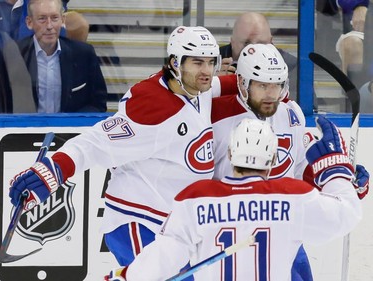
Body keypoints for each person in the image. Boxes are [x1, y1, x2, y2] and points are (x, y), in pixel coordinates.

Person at [8, 25, 237, 271]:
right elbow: (96, 142)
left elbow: (221, 85)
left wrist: (266, 85)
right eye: (197, 63)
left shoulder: (193, 86)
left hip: (170, 227)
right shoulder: (152, 107)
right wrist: (53, 170)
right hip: (138, 225)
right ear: (175, 63)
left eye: (211, 62)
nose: (206, 71)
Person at [104, 116, 363, 281]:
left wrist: (127, 277)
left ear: (230, 153)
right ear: (273, 159)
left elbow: (162, 258)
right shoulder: (292, 197)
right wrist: (335, 169)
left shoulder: (195, 199)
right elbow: (347, 212)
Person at [211, 43, 369, 281]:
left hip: (287, 237)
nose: (271, 94)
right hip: (235, 235)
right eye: (262, 85)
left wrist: (338, 176)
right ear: (242, 83)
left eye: (276, 85)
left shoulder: (290, 113)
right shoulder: (214, 117)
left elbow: (299, 169)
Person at [17, 0, 107, 113]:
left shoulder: (83, 54)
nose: (49, 26)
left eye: (54, 18)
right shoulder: (14, 55)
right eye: (42, 19)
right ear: (29, 22)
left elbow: (98, 103)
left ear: (62, 20)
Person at [218, 12, 298, 101]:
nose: (253, 51)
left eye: (261, 44)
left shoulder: (290, 65)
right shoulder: (211, 62)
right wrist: (212, 84)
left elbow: (301, 107)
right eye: (246, 43)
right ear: (232, 42)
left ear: (271, 42)